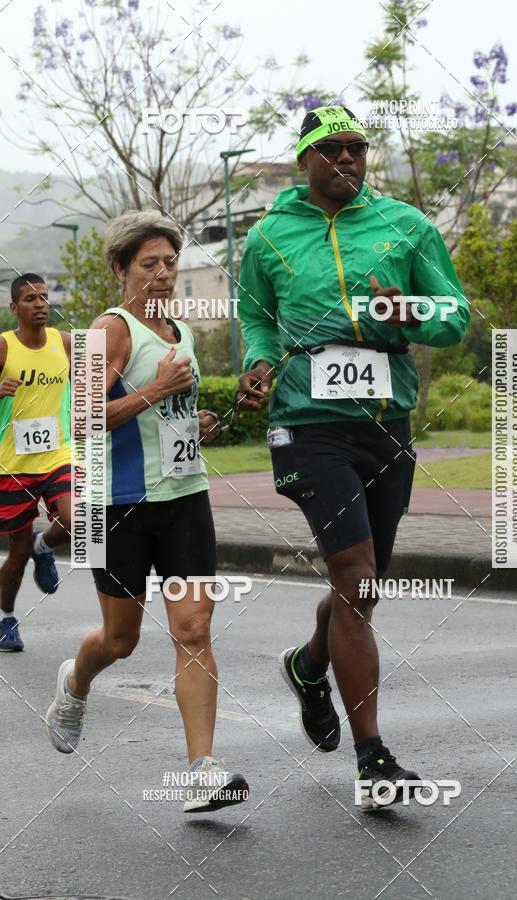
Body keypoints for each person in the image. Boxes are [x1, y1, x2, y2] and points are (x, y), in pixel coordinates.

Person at [236, 105, 470, 809]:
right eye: (331, 150)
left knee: (358, 590)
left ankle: (310, 667)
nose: (346, 160)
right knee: (358, 578)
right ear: (305, 159)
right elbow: (254, 315)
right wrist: (257, 360)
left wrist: (414, 314)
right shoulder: (269, 237)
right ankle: (373, 760)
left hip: (386, 421)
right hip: (309, 424)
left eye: (357, 150)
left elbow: (455, 313)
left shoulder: (407, 226)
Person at [45, 211, 248, 814]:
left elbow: (164, 416)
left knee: (194, 628)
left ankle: (201, 771)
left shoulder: (181, 332)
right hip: (117, 505)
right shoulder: (110, 331)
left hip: (185, 498)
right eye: (148, 265)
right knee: (120, 639)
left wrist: (193, 421)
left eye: (169, 263)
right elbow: (79, 422)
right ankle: (75, 682)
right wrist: (155, 391)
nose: (162, 275)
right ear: (120, 270)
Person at [0, 274, 72, 652]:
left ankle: (47, 546)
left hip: (58, 455)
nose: (41, 303)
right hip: (13, 464)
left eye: (44, 296)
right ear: (15, 308)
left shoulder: (64, 343)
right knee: (18, 552)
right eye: (30, 299)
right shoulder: (3, 347)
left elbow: (108, 366)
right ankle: (6, 618)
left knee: (78, 521)